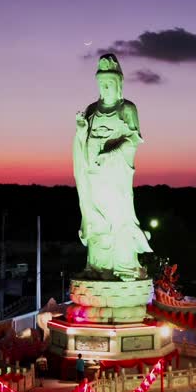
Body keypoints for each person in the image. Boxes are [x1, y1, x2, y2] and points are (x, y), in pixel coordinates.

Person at [73, 54, 152, 279]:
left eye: (109, 83)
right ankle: (98, 266)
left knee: (119, 218)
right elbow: (82, 141)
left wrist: (112, 154)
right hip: (95, 176)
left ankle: (124, 265)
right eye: (102, 84)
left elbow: (134, 140)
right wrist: (81, 131)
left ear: (118, 84)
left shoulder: (127, 109)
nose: (105, 88)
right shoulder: (90, 110)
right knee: (96, 218)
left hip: (116, 176)